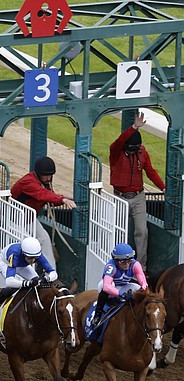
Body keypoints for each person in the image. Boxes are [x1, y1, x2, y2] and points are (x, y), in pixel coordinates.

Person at [109, 111, 165, 268]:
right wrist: (134, 127)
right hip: (120, 196)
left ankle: (141, 267)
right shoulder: (116, 152)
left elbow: (150, 171)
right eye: (130, 150)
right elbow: (119, 141)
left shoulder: (142, 152)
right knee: (120, 231)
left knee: (142, 231)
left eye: (135, 150)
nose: (133, 153)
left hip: (139, 196)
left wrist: (163, 187)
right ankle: (118, 263)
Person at [10, 156, 77, 269]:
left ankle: (51, 274)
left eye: (50, 175)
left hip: (28, 218)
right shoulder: (28, 182)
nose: (48, 178)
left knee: (44, 239)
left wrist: (65, 199)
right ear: (39, 173)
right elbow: (43, 194)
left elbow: (50, 200)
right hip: (12, 219)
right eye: (46, 175)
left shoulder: (44, 182)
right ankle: (31, 276)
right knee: (28, 244)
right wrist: (62, 199)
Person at [0, 236, 58, 326]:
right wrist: (27, 283)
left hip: (22, 265)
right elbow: (9, 281)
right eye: (30, 258)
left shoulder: (36, 254)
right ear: (23, 254)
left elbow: (54, 273)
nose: (32, 261)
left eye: (35, 258)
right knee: (13, 287)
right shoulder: (15, 255)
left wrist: (46, 278)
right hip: (6, 263)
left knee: (37, 283)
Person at [91, 243, 147, 328]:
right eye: (123, 262)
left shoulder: (136, 265)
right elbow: (106, 286)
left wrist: (143, 289)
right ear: (116, 260)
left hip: (123, 286)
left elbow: (143, 283)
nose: (127, 265)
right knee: (104, 285)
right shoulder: (111, 266)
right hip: (110, 288)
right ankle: (97, 315)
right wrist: (122, 294)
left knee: (138, 288)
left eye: (129, 261)